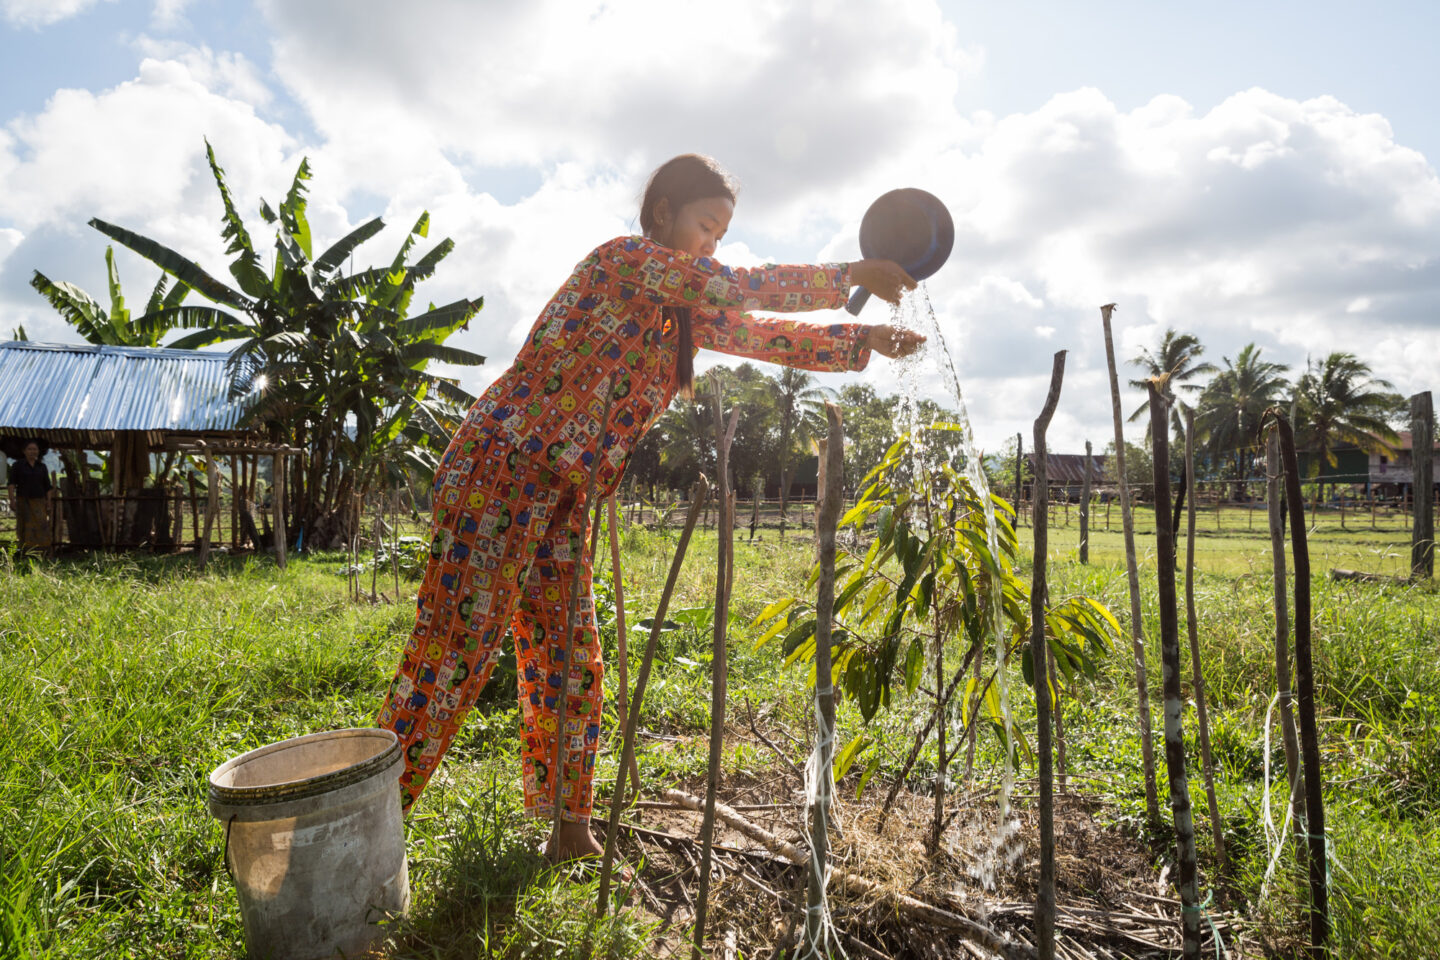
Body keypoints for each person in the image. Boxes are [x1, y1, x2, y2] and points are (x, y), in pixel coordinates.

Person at [376, 154, 925, 861]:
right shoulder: (624, 263)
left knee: (571, 658)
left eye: (723, 234)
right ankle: (363, 826)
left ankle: (568, 831)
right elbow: (736, 286)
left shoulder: (684, 315)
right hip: (504, 470)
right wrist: (848, 276)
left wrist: (866, 341)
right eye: (706, 225)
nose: (712, 245)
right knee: (455, 652)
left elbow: (761, 334)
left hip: (568, 494)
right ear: (662, 211)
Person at [8, 439, 54, 557]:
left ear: (38, 451)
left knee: (41, 525)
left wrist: (48, 502)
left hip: (39, 501)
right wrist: (12, 500)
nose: (32, 451)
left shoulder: (42, 467)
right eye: (30, 449)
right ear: (24, 451)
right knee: (24, 525)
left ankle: (42, 552)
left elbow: (47, 486)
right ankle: (25, 553)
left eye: (35, 449)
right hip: (23, 500)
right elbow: (12, 484)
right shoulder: (18, 466)